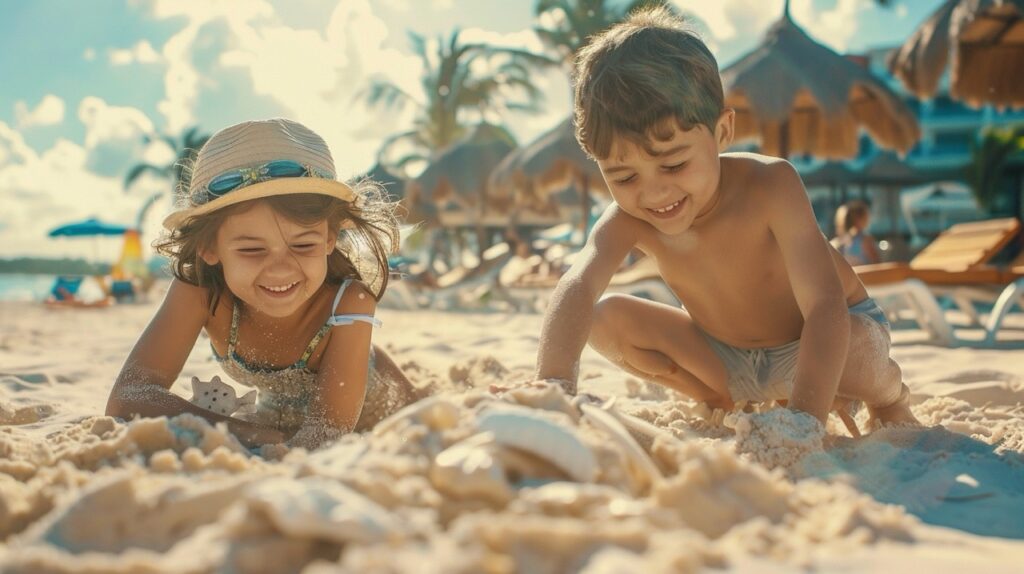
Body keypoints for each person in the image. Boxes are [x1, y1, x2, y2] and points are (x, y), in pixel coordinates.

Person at [530, 8, 918, 433]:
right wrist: (552, 385)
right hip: (725, 357)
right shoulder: (628, 219)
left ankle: (891, 396)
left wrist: (803, 420)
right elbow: (578, 285)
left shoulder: (771, 185)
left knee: (858, 342)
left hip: (822, 337)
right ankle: (720, 397)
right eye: (623, 176)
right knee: (604, 320)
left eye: (675, 165)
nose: (654, 193)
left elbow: (826, 308)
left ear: (722, 132)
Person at [105, 118, 418, 449]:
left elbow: (327, 433)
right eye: (252, 250)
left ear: (329, 237)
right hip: (279, 417)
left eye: (303, 245)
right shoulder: (199, 293)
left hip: (388, 406)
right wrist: (248, 433)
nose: (281, 269)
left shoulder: (349, 299)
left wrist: (262, 441)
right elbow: (128, 396)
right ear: (209, 247)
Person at [830, 200, 880, 266]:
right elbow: (877, 264)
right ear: (858, 219)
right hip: (865, 275)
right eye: (867, 215)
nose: (869, 218)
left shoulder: (837, 242)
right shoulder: (866, 240)